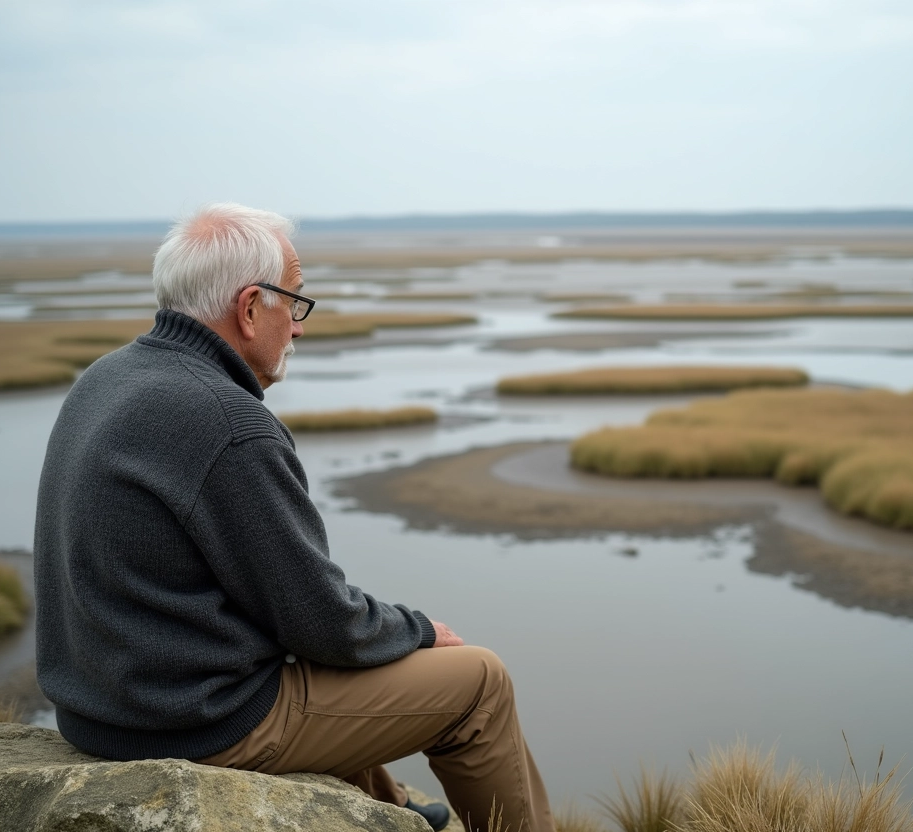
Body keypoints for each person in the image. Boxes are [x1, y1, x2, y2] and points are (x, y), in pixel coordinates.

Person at [34, 203, 555, 832]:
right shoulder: (229, 423)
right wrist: (417, 629)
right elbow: (321, 623)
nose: (300, 326)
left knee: (320, 658)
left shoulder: (108, 376)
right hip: (196, 721)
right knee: (480, 683)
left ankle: (387, 814)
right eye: (295, 301)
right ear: (251, 308)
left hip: (99, 709)